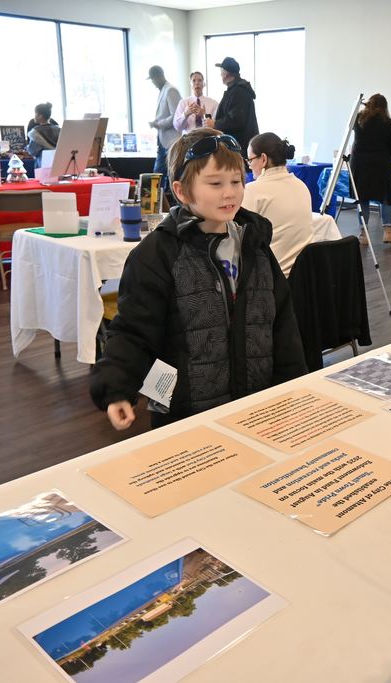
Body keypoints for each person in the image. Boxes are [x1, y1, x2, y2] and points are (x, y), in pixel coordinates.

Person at [90, 128, 306, 429]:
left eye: (236, 181)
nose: (229, 192)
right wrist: (115, 389)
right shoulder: (158, 254)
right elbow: (132, 332)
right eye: (215, 183)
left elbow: (281, 322)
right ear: (181, 191)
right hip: (185, 416)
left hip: (257, 408)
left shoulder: (254, 244)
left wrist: (293, 385)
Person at [242, 132, 313, 277]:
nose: (249, 166)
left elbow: (241, 240)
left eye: (250, 160)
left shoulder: (253, 190)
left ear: (263, 159)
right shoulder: (301, 186)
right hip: (305, 277)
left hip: (273, 278)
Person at [350, 94, 391, 246]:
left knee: (363, 198)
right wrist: (390, 163)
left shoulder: (359, 119)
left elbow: (350, 130)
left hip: (359, 164)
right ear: (384, 107)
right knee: (386, 197)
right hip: (381, 164)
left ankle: (363, 235)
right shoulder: (388, 122)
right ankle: (388, 232)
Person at [213, 57, 259, 156]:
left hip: (240, 147)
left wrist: (215, 124)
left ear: (226, 74)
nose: (220, 75)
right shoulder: (236, 90)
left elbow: (236, 121)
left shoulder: (239, 92)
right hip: (240, 146)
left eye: (221, 72)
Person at [147, 65, 182, 188]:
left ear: (159, 77)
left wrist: (158, 124)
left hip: (171, 141)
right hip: (164, 141)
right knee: (159, 176)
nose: (153, 82)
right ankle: (159, 203)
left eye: (153, 79)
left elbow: (176, 116)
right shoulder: (164, 90)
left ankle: (159, 203)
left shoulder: (171, 90)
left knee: (161, 175)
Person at [26, 102, 60, 167]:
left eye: (35, 113)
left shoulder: (35, 132)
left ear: (40, 116)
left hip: (43, 164)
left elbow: (33, 151)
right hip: (57, 163)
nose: (34, 116)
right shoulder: (58, 129)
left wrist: (27, 147)